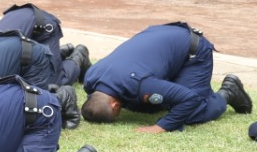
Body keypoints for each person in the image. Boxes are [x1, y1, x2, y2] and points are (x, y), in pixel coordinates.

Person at [81, 22, 251, 132]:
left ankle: (228, 92)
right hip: (163, 35)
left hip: (192, 51)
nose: (120, 113)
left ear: (114, 105)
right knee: (147, 104)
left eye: (117, 113)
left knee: (192, 112)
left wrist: (160, 126)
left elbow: (189, 99)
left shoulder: (140, 84)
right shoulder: (91, 78)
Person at [0, 3, 89, 87]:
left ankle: (78, 57)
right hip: (19, 16)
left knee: (51, 82)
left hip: (44, 26)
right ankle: (57, 54)